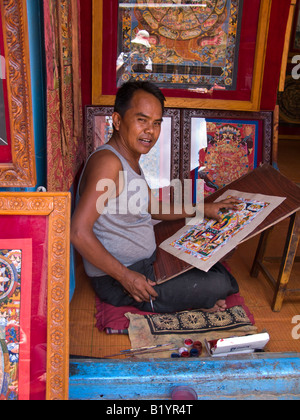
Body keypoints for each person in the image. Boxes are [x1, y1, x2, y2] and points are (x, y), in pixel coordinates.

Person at [71, 81, 239, 314]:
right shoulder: (108, 164)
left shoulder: (128, 159)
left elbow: (151, 206)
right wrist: (127, 277)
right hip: (121, 279)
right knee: (220, 284)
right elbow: (78, 232)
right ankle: (191, 301)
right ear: (117, 121)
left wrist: (202, 208)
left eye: (156, 123)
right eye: (142, 120)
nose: (150, 131)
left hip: (145, 264)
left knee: (214, 268)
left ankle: (194, 297)